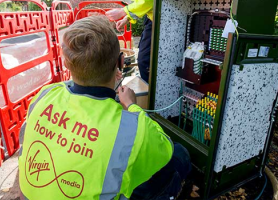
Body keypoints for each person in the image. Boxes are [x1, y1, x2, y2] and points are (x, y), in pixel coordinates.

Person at [18, 15, 191, 200]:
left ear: (67, 63)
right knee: (180, 154)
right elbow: (165, 149)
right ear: (121, 62)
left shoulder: (47, 93)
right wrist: (132, 106)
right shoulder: (135, 128)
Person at [105, 0, 153, 83]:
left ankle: (150, 92)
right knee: (144, 60)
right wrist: (127, 18)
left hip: (160, 21)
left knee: (145, 61)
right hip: (152, 19)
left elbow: (148, 2)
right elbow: (144, 5)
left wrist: (122, 11)